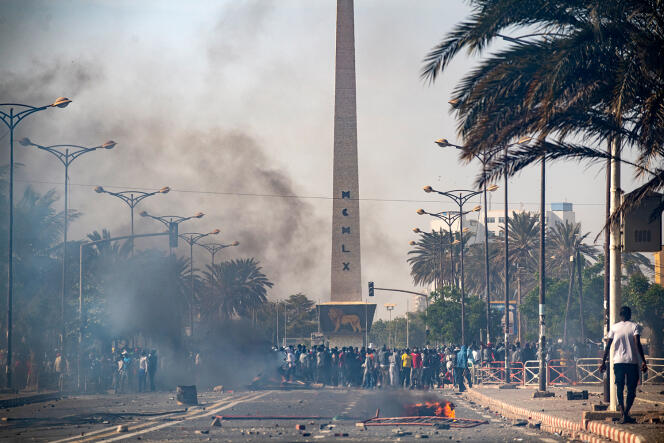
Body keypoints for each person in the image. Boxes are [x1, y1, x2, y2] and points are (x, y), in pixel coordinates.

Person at [600, 306, 648, 424]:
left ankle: (623, 414)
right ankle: (626, 413)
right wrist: (643, 360)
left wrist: (603, 362)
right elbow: (637, 344)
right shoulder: (634, 326)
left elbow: (608, 346)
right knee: (631, 389)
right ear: (630, 315)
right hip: (632, 362)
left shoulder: (614, 328)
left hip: (618, 362)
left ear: (620, 316)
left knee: (620, 388)